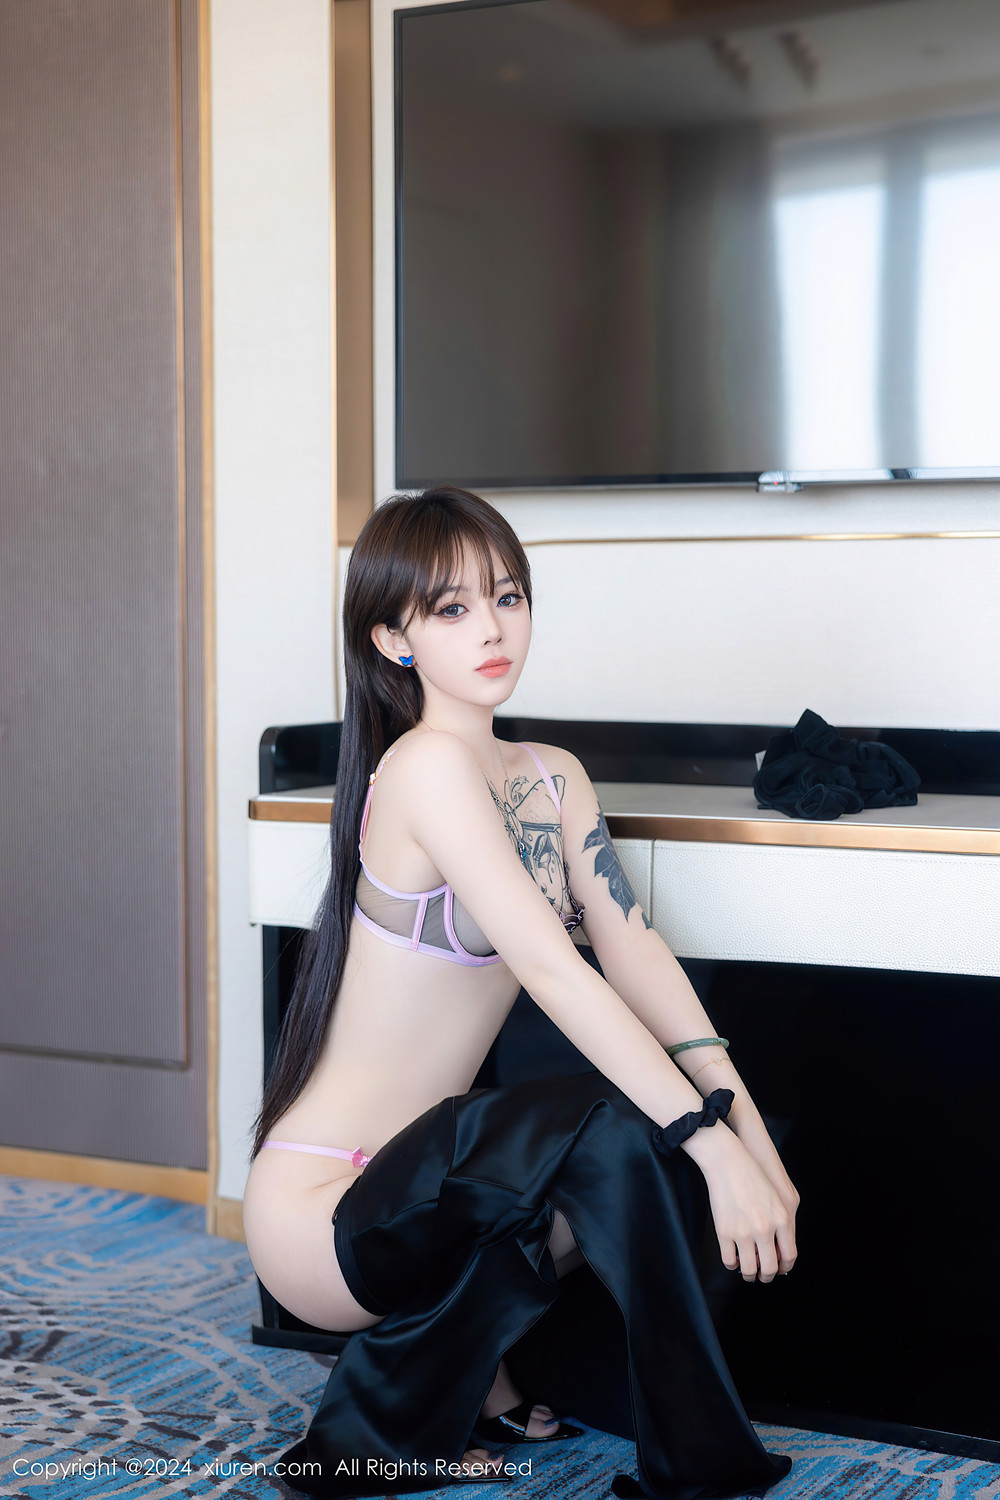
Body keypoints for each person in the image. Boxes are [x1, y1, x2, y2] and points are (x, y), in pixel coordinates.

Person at [241, 487, 798, 1500]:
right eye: (452, 608)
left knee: (653, 1132)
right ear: (393, 640)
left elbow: (636, 956)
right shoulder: (422, 767)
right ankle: (688, 1460)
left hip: (440, 1200)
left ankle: (451, 1377)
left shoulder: (553, 776)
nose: (493, 629)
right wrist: (711, 1143)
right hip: (325, 1210)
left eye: (507, 596)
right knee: (628, 1122)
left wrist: (749, 1140)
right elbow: (551, 967)